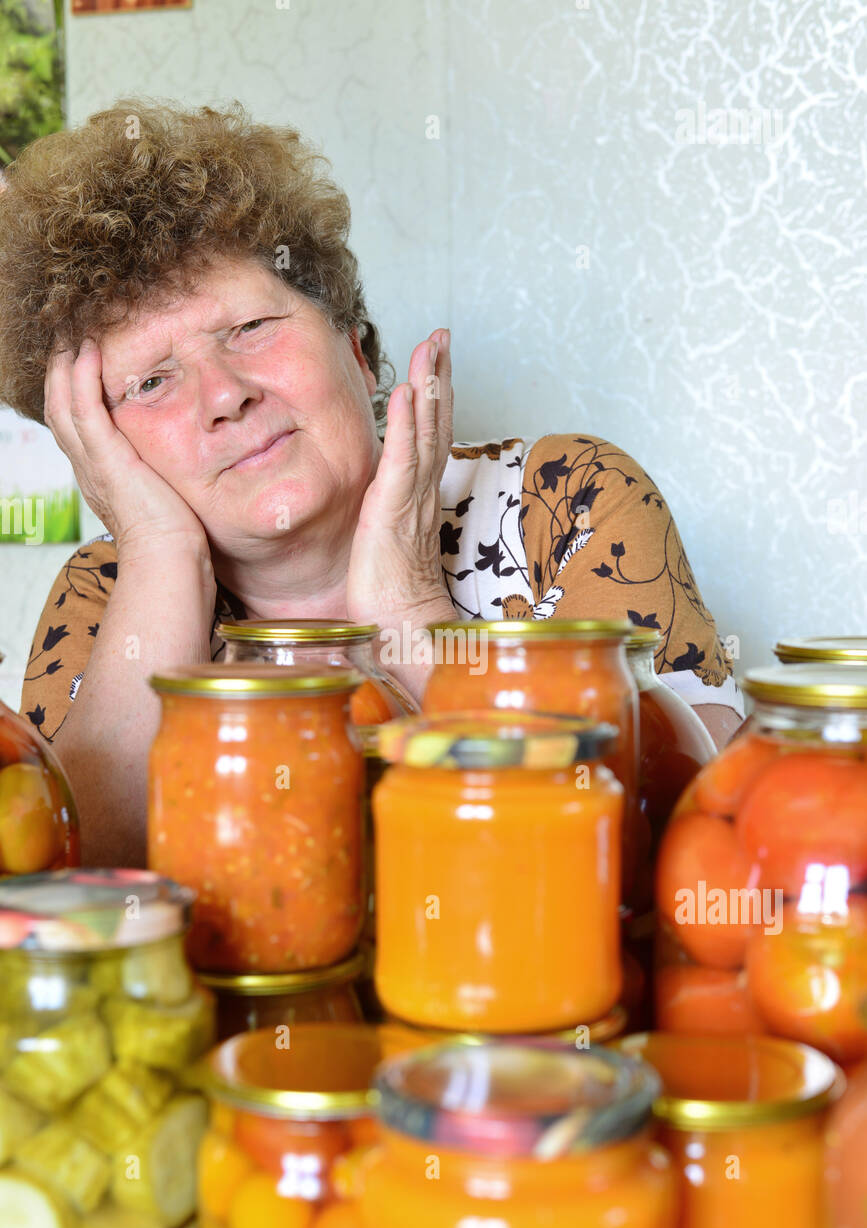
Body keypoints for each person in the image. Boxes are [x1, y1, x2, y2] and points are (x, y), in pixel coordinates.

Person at [0, 100, 742, 867]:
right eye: (152, 381)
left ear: (354, 348)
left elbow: (668, 849)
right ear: (99, 449)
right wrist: (157, 550)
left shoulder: (565, 499)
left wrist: (406, 608)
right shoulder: (104, 593)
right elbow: (69, 885)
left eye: (249, 329)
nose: (224, 396)